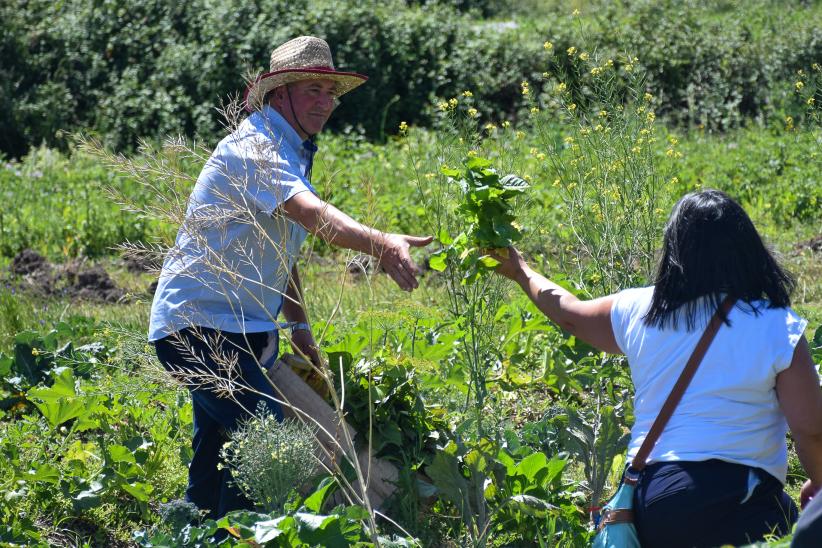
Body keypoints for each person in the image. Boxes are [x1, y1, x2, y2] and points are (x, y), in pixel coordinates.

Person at [148, 36, 432, 519]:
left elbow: (285, 247)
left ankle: (192, 525)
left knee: (217, 453)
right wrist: (383, 243)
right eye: (311, 90)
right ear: (280, 95)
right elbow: (316, 215)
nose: (324, 102)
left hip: (241, 330)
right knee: (265, 440)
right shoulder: (255, 149)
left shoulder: (291, 148)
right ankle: (239, 532)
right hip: (198, 326)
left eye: (330, 91)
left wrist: (299, 327)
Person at [492, 189, 822, 546]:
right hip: (738, 492)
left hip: (654, 496)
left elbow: (568, 313)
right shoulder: (775, 324)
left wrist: (521, 271)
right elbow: (811, 429)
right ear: (747, 250)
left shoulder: (640, 309)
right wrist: (818, 484)